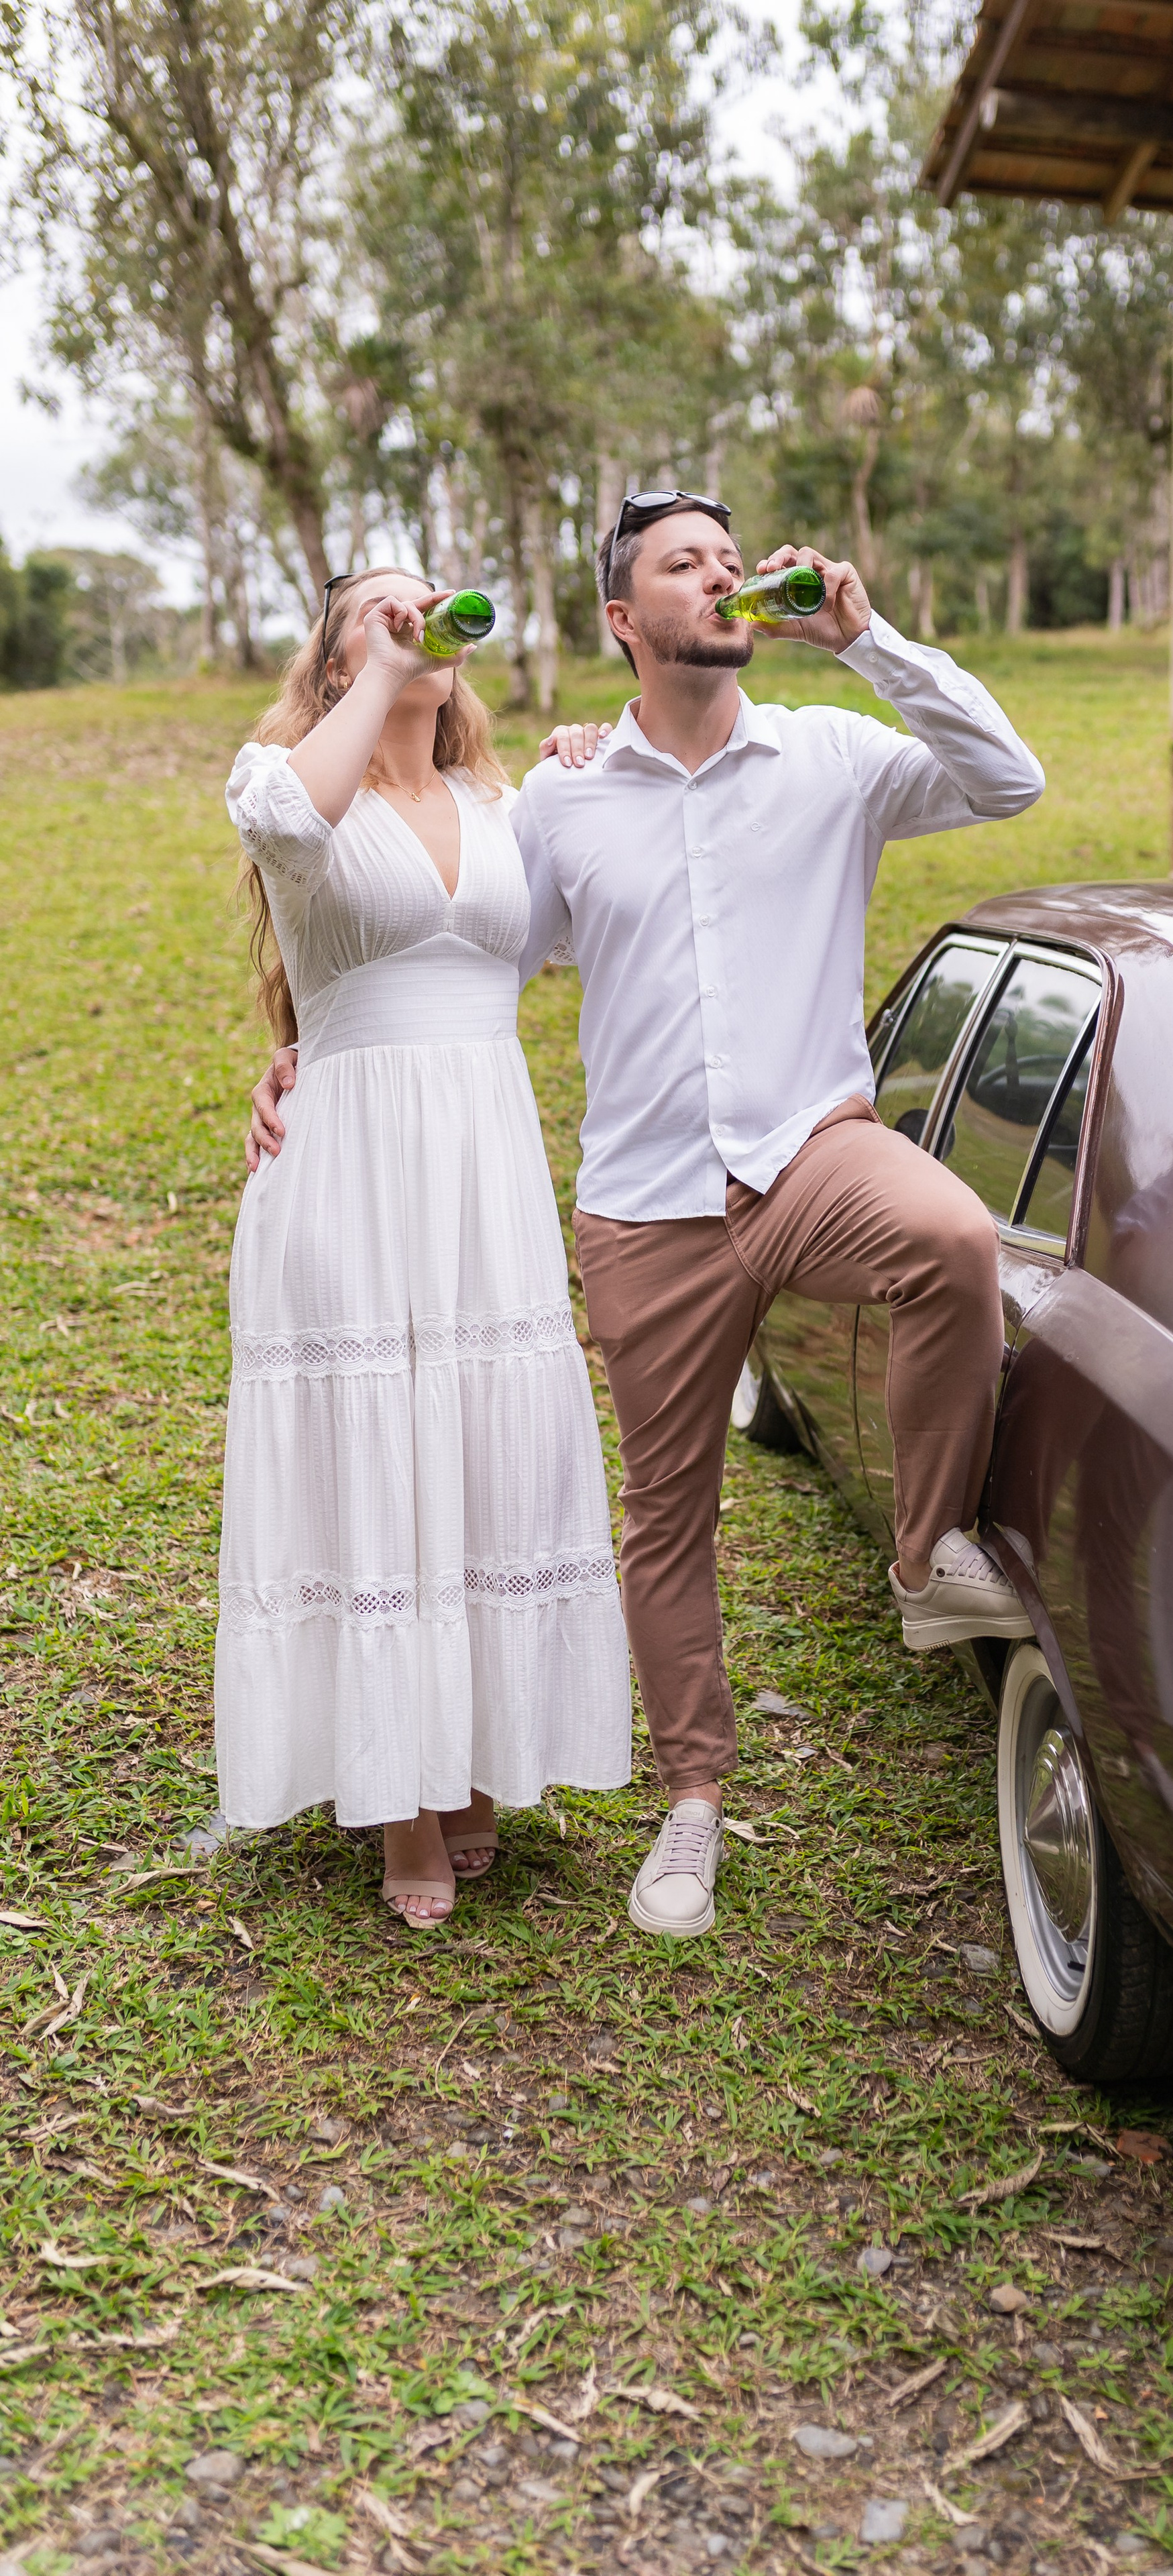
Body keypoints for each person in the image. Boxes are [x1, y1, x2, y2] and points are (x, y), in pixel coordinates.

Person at [252, 496, 1044, 1941]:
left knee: (951, 1242)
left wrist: (868, 644)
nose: (723, 577)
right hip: (643, 1204)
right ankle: (692, 1806)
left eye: (730, 560)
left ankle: (926, 1561)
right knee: (664, 1517)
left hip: (812, 1154)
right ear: (625, 619)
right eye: (686, 564)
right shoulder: (555, 798)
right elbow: (465, 949)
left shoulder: (832, 754)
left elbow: (1006, 779)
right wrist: (315, 1041)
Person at [223, 569, 630, 1927]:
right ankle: (395, 1797)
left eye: (428, 605)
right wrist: (388, 674)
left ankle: (471, 1765)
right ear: (336, 664)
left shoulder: (504, 810)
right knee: (381, 1453)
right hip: (352, 1171)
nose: (415, 619)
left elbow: (585, 922)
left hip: (484, 1174)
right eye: (376, 612)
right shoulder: (285, 778)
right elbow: (287, 816)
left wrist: (581, 762)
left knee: (482, 1455)